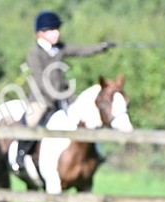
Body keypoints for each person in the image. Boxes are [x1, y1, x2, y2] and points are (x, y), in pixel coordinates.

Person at [17, 10, 114, 169]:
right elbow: (40, 79)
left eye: (57, 29)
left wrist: (101, 47)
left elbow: (81, 50)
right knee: (32, 120)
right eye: (52, 30)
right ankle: (21, 154)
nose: (57, 33)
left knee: (87, 115)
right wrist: (54, 95)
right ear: (40, 33)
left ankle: (96, 153)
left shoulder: (59, 48)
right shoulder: (34, 53)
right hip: (42, 98)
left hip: (64, 96)